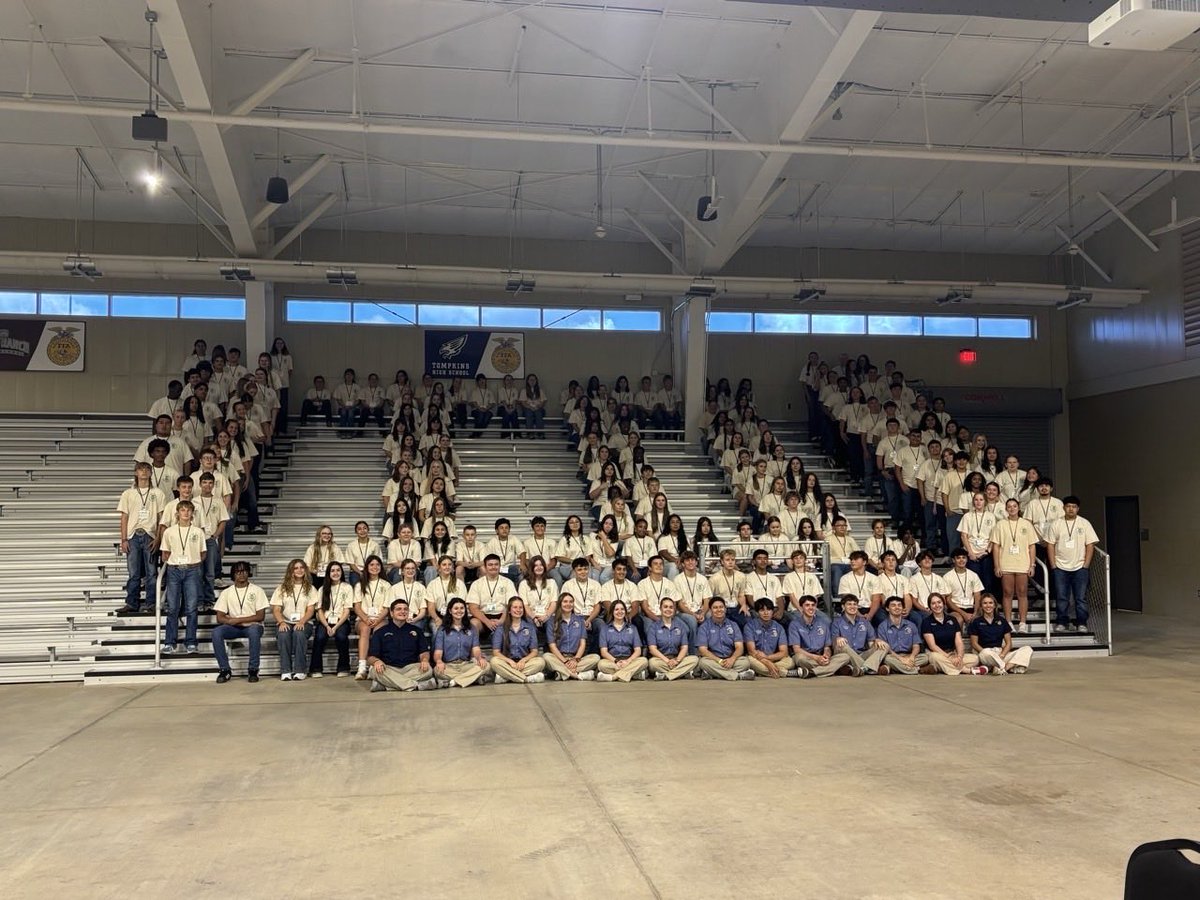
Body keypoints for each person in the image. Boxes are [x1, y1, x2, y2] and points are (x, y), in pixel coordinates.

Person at [116, 462, 168, 615]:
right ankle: (132, 602)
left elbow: (161, 519)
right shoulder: (128, 493)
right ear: (136, 473)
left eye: (147, 469)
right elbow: (124, 517)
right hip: (133, 535)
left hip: (149, 535)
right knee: (134, 573)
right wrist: (124, 539)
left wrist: (158, 538)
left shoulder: (158, 493)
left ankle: (151, 603)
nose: (144, 472)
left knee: (151, 572)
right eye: (140, 469)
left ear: (151, 473)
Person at [1045, 496, 1100, 634]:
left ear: (1078, 509)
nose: (1071, 509)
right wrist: (1053, 565)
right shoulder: (1056, 523)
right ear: (1063, 508)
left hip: (1080, 567)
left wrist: (1086, 565)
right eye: (1068, 506)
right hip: (1060, 567)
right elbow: (1050, 545)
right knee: (1062, 597)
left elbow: (1090, 544)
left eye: (1074, 507)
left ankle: (1081, 622)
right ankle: (1062, 622)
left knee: (1080, 598)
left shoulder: (1084, 523)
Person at [160, 499, 208, 654]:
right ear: (177, 513)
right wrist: (175, 562)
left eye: (188, 510)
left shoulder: (198, 532)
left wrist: (193, 562)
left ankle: (191, 642)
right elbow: (165, 553)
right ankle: (169, 642)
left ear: (192, 514)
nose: (185, 513)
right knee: (172, 607)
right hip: (174, 570)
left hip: (192, 570)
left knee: (191, 608)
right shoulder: (169, 531)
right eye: (183, 510)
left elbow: (203, 552)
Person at [210, 560, 269, 683]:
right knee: (217, 632)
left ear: (248, 573)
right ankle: (225, 670)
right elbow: (220, 617)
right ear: (233, 574)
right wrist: (232, 622)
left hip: (254, 626)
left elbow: (260, 616)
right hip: (234, 628)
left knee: (253, 631)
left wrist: (238, 620)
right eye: (238, 572)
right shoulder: (226, 592)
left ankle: (253, 669)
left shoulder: (257, 590)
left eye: (244, 571)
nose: (241, 574)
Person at [365, 598, 437, 692]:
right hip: (389, 668)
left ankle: (387, 686)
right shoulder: (380, 632)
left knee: (428, 670)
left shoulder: (417, 631)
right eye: (399, 609)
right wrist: (376, 662)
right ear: (391, 613)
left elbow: (424, 652)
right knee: (374, 671)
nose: (403, 611)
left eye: (405, 609)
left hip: (410, 668)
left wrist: (424, 660)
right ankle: (418, 686)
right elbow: (371, 657)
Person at [990, 497, 1039, 632]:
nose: (1012, 509)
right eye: (1009, 507)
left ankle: (1022, 623)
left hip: (1023, 563)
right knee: (1007, 593)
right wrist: (997, 566)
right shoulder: (1000, 524)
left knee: (1022, 592)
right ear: (1006, 509)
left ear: (1019, 508)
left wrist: (1032, 565)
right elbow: (996, 547)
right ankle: (1008, 621)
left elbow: (1032, 546)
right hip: (1006, 563)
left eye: (1014, 506)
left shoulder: (1026, 524)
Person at [270, 559, 317, 680]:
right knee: (283, 634)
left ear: (305, 570)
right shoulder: (281, 588)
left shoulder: (311, 589)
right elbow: (276, 609)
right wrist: (281, 622)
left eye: (301, 567)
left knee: (299, 633)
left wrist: (302, 621)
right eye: (296, 568)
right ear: (291, 571)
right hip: (285, 621)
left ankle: (300, 670)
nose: (299, 570)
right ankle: (285, 670)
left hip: (304, 622)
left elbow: (311, 610)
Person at [920, 593, 986, 675]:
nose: (937, 605)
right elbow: (932, 646)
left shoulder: (952, 619)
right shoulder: (926, 622)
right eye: (933, 603)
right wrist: (949, 657)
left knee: (975, 659)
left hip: (952, 653)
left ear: (943, 603)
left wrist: (959, 657)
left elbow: (959, 641)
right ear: (930, 606)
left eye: (939, 602)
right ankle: (967, 670)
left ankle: (940, 668)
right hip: (937, 653)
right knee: (934, 657)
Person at [968, 592, 1033, 674]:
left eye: (990, 603)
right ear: (981, 606)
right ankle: (1006, 666)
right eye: (985, 603)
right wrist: (985, 652)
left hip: (1000, 652)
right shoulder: (976, 622)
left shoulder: (1002, 620)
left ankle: (1004, 667)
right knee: (986, 653)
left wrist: (1002, 655)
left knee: (1027, 649)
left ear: (995, 605)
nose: (988, 605)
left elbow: (1009, 643)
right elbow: (974, 643)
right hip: (985, 653)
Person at [433, 598, 491, 687]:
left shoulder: (472, 628)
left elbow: (476, 649)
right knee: (437, 671)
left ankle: (455, 681)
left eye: (462, 608)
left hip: (466, 665)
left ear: (465, 610)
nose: (459, 611)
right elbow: (438, 652)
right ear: (450, 611)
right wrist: (439, 661)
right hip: (449, 666)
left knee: (486, 666)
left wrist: (479, 658)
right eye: (456, 608)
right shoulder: (443, 629)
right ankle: (471, 679)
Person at [788, 595, 850, 678]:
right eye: (807, 605)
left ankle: (812, 672)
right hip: (807, 657)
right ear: (801, 607)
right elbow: (796, 649)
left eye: (813, 605)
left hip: (820, 656)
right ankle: (833, 669)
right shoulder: (794, 624)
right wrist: (816, 658)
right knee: (799, 658)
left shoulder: (823, 623)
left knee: (845, 657)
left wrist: (826, 656)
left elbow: (827, 647)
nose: (811, 608)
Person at [488, 597, 547, 684]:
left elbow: (534, 651)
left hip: (524, 663)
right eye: (515, 607)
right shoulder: (501, 628)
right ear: (509, 610)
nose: (518, 610)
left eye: (520, 607)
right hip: (507, 662)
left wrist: (523, 660)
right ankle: (527, 679)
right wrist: (510, 661)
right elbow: (496, 652)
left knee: (540, 662)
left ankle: (506, 677)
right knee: (494, 661)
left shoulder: (530, 627)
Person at [310, 561, 353, 677]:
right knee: (319, 637)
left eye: (338, 570)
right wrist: (327, 626)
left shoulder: (347, 587)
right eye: (332, 571)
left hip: (341, 621)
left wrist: (336, 626)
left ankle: (344, 668)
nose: (335, 573)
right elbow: (319, 610)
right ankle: (316, 669)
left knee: (341, 636)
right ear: (328, 573)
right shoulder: (322, 589)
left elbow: (347, 610)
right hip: (325, 621)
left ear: (342, 572)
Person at [543, 594, 600, 681]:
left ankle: (562, 673)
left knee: (596, 658)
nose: (568, 604)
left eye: (571, 602)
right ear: (560, 604)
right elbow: (552, 646)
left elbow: (582, 644)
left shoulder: (580, 620)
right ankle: (576, 675)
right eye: (565, 602)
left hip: (575, 658)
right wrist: (565, 662)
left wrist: (575, 660)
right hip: (559, 658)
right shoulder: (552, 621)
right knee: (546, 657)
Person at [696, 598, 755, 681]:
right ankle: (738, 676)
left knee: (745, 662)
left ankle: (713, 673)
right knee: (703, 662)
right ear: (710, 610)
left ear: (725, 609)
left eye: (721, 607)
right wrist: (719, 661)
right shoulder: (704, 627)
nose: (719, 610)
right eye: (715, 607)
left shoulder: (733, 625)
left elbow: (739, 647)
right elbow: (703, 650)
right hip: (714, 660)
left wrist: (732, 659)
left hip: (730, 659)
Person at [353, 555, 390, 680]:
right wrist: (366, 618)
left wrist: (377, 619)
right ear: (367, 567)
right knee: (365, 630)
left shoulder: (386, 585)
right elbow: (357, 607)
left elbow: (387, 608)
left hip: (381, 619)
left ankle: (374, 664)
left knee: (379, 631)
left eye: (377, 565)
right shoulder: (360, 585)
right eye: (372, 565)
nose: (375, 567)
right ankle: (362, 666)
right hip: (363, 619)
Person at [872, 596, 929, 675]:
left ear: (903, 608)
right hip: (893, 655)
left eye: (899, 605)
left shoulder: (911, 625)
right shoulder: (882, 626)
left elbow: (916, 645)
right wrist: (901, 659)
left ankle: (893, 669)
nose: (897, 607)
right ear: (887, 609)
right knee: (886, 659)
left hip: (908, 655)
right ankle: (917, 669)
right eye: (893, 605)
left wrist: (911, 657)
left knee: (925, 657)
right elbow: (886, 649)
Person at [466, 553, 518, 638]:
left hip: (503, 616)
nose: (493, 567)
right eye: (490, 565)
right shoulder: (476, 584)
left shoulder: (507, 582)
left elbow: (511, 604)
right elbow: (473, 607)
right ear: (485, 567)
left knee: (514, 622)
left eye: (496, 564)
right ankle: (475, 649)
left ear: (499, 566)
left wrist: (501, 621)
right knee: (473, 624)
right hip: (483, 617)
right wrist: (487, 621)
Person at [646, 597, 699, 681]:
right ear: (660, 609)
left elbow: (684, 647)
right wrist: (667, 661)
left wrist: (677, 661)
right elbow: (653, 649)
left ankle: (666, 675)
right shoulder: (653, 627)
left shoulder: (680, 626)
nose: (668, 609)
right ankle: (682, 673)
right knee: (652, 663)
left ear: (674, 610)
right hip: (662, 660)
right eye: (665, 607)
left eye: (671, 607)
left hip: (677, 659)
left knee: (694, 659)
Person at [597, 600, 648, 682]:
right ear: (612, 612)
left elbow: (638, 651)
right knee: (601, 664)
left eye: (622, 609)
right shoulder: (605, 628)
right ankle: (634, 674)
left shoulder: (632, 628)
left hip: (629, 660)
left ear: (626, 612)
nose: (620, 612)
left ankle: (613, 677)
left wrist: (628, 661)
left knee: (644, 661)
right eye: (616, 609)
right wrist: (616, 661)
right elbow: (603, 652)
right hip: (612, 661)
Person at [743, 598, 793, 679]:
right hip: (757, 659)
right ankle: (786, 673)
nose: (766, 613)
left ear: (772, 611)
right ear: (757, 612)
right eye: (762, 610)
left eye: (769, 610)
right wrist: (765, 661)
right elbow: (751, 651)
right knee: (748, 661)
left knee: (790, 662)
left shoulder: (779, 627)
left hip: (772, 658)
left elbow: (784, 652)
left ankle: (766, 671)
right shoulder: (749, 626)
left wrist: (767, 659)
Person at [830, 596, 877, 675]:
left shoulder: (865, 622)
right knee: (843, 645)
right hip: (844, 653)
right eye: (849, 604)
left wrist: (877, 644)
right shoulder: (837, 622)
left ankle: (857, 667)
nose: (852, 607)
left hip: (861, 654)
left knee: (882, 646)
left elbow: (871, 643)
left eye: (855, 604)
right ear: (843, 606)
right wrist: (837, 638)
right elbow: (834, 644)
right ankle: (866, 667)